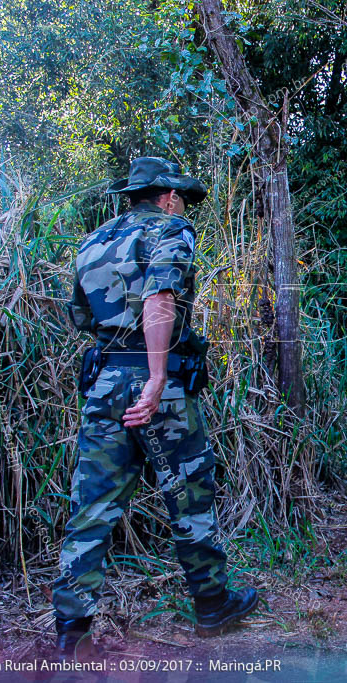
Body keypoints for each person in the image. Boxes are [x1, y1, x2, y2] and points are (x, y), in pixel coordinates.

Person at [53, 157, 258, 660]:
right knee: (189, 495)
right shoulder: (173, 227)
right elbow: (160, 295)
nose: (183, 205)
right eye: (181, 197)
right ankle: (212, 606)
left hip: (104, 381)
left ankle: (71, 632)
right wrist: (158, 373)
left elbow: (81, 314)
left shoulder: (93, 240)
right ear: (167, 196)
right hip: (157, 383)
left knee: (93, 505)